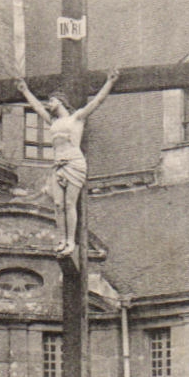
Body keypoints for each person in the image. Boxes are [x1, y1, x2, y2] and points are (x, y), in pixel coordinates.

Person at [15, 69, 120, 258]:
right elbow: (37, 108)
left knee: (70, 203)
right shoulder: (53, 122)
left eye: (52, 101)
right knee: (58, 204)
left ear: (61, 102)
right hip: (57, 165)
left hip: (74, 163)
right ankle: (61, 239)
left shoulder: (76, 118)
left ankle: (71, 241)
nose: (49, 104)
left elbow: (97, 102)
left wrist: (109, 83)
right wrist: (25, 91)